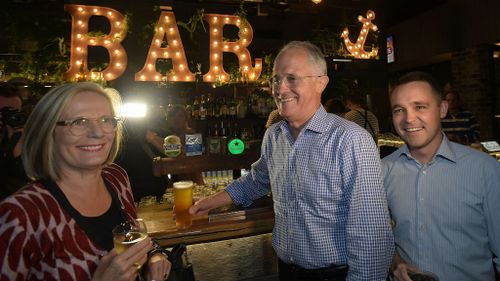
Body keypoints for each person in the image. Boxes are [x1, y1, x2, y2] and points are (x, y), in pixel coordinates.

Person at [189, 41, 394, 280]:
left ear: (321, 82)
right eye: (276, 79)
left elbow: (371, 234)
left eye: (292, 78)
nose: (280, 88)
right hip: (286, 270)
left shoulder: (351, 140)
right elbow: (256, 180)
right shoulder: (274, 136)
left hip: (335, 274)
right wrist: (211, 202)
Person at [0, 82, 171, 281]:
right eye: (79, 122)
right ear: (48, 132)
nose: (97, 133)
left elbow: (130, 237)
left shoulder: (116, 178)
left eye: (106, 120)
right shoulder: (20, 214)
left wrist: (153, 255)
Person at [383, 71, 500, 281]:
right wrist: (395, 262)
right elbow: (378, 234)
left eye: (420, 106)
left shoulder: (485, 170)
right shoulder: (382, 171)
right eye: (399, 110)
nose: (409, 119)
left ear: (442, 109)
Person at [0, 82, 29, 199]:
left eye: (14, 112)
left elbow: (27, 179)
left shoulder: (22, 138)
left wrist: (19, 152)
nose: (10, 117)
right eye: (3, 112)